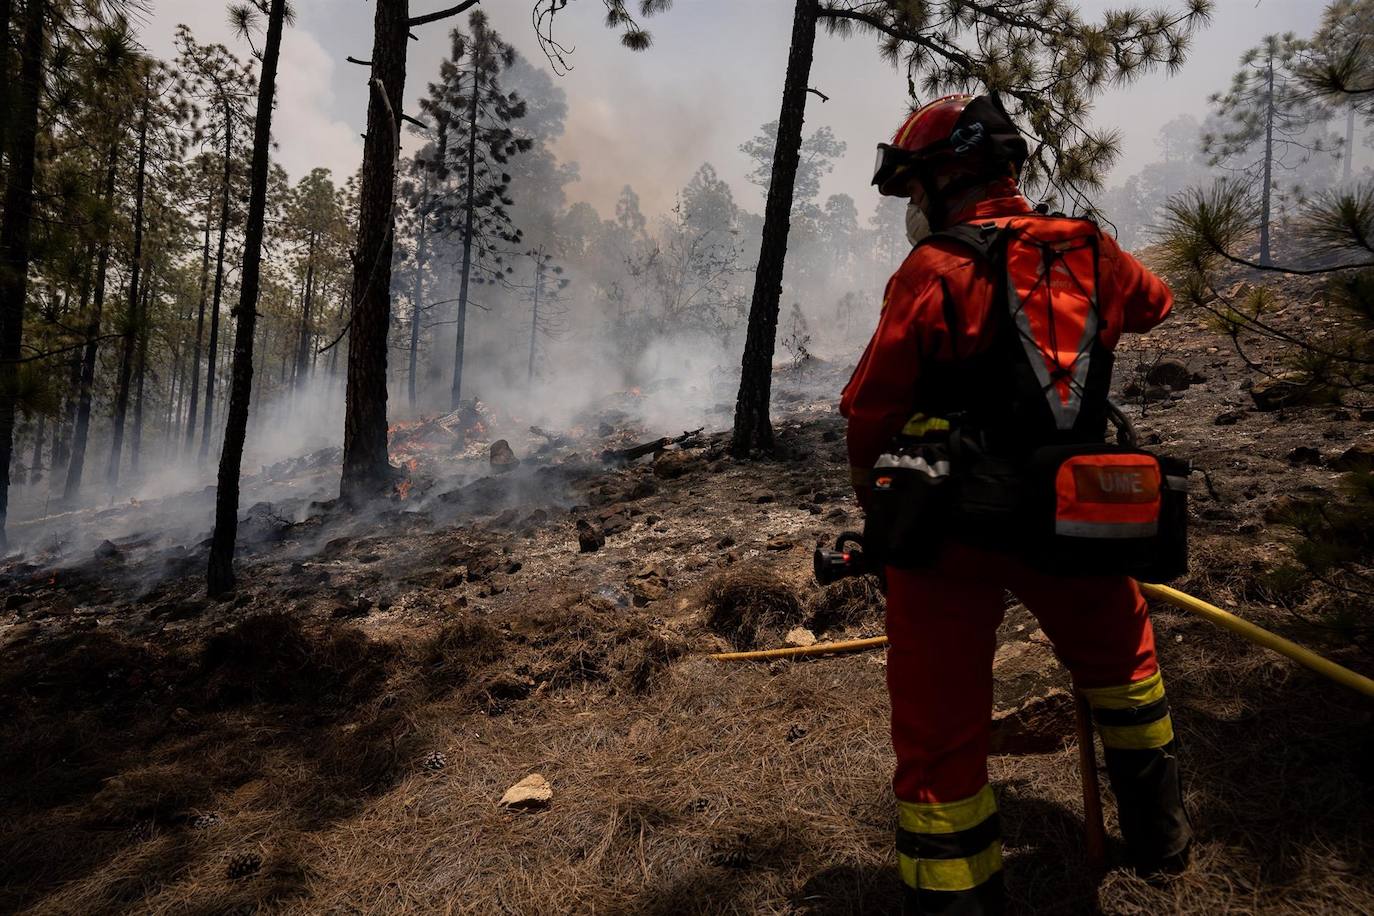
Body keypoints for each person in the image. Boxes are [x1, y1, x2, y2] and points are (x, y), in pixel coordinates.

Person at [841, 94, 1192, 914]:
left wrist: (876, 515)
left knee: (939, 726)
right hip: (1076, 521)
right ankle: (1162, 840)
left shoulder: (934, 271)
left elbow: (870, 410)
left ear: (951, 175)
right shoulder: (1091, 249)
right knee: (1126, 674)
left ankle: (959, 897)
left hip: (954, 532)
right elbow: (1156, 304)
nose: (915, 206)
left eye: (918, 186)